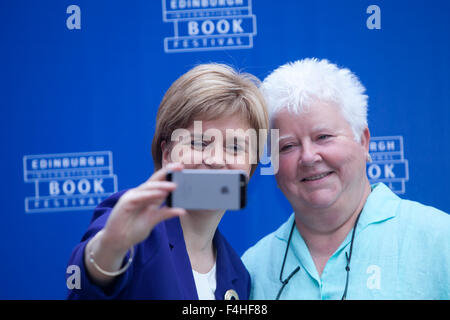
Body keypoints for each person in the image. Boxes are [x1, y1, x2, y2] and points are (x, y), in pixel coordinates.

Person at [242, 58, 450, 299]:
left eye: (323, 137)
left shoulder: (438, 240)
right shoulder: (252, 270)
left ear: (363, 141)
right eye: (288, 146)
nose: (308, 157)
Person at [66, 63, 269, 299]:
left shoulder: (238, 275)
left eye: (234, 147)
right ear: (167, 154)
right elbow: (86, 283)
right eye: (198, 143)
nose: (215, 160)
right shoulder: (135, 222)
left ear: (250, 168)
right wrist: (111, 247)